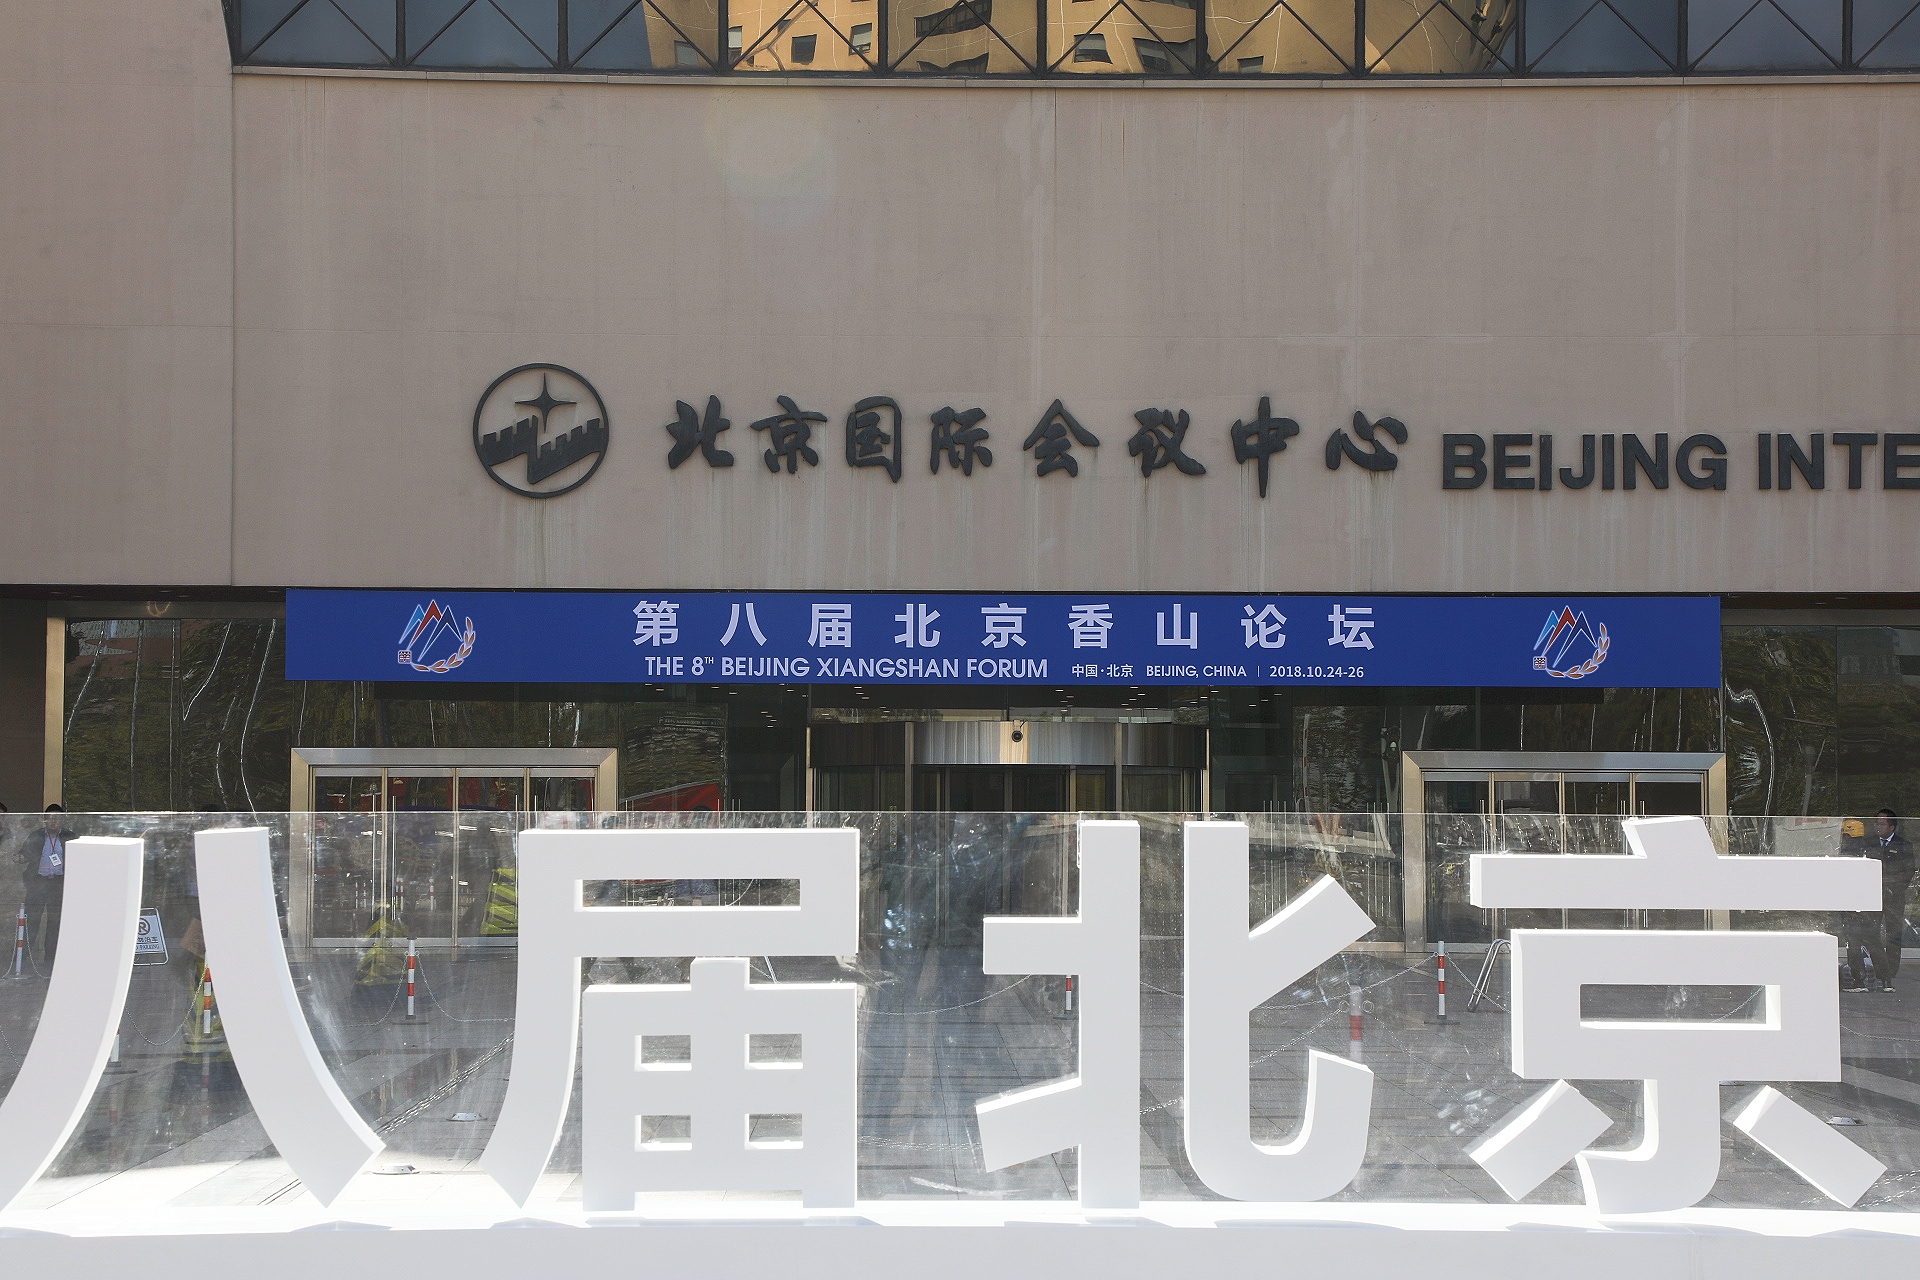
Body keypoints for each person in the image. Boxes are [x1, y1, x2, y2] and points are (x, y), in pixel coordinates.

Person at [1863, 809, 1915, 993]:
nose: (1878, 826)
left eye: (1882, 823)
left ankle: (1891, 970)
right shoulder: (1869, 843)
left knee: (1893, 933)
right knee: (1871, 933)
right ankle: (1879, 968)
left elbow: (1908, 870)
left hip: (1894, 896)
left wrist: (1895, 888)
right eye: (1876, 823)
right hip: (1872, 895)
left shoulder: (1903, 845)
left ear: (1892, 826)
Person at [18, 805, 75, 970]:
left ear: (62, 820)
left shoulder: (69, 836)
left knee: (55, 922)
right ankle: (22, 958)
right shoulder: (36, 835)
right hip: (38, 883)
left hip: (58, 884)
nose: (53, 821)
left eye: (57, 818)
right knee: (32, 920)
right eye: (50, 817)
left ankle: (51, 959)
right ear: (44, 819)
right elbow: (24, 854)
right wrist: (19, 857)